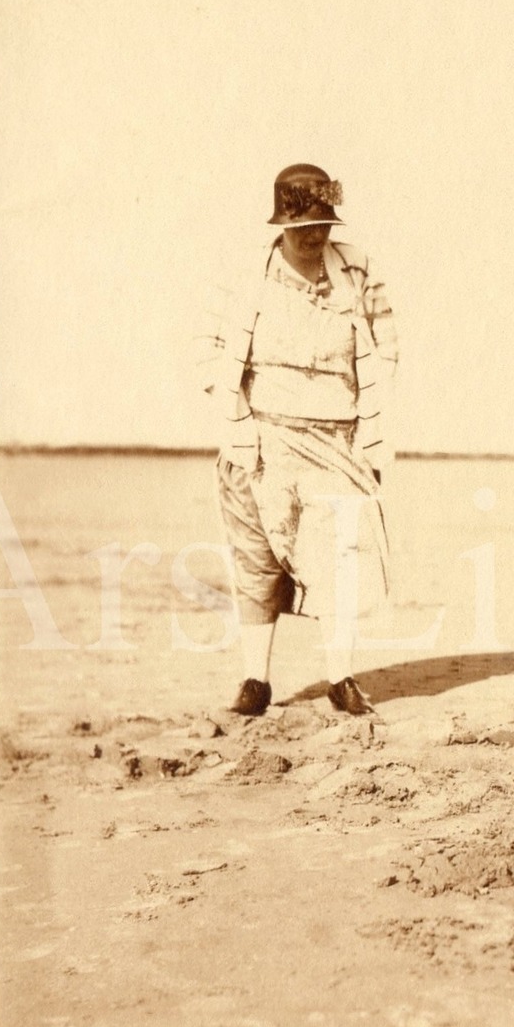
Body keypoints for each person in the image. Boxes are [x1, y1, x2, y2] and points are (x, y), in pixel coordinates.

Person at [198, 163, 398, 717]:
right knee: (257, 562)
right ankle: (254, 682)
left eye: (324, 225)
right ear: (281, 224)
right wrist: (237, 417)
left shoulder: (358, 273)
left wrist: (371, 437)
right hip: (259, 440)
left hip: (338, 441)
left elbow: (388, 352)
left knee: (341, 558)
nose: (315, 236)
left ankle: (340, 679)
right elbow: (209, 350)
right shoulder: (246, 275)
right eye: (303, 226)